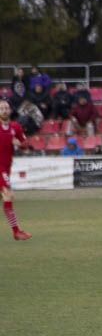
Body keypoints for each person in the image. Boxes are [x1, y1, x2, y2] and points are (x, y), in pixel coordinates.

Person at [0, 100, 32, 240]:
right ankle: (16, 232)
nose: (4, 110)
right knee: (8, 195)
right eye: (1, 108)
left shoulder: (16, 127)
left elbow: (26, 145)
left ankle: (16, 232)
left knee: (7, 197)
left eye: (6, 108)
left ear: (10, 110)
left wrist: (19, 143)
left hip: (7, 167)